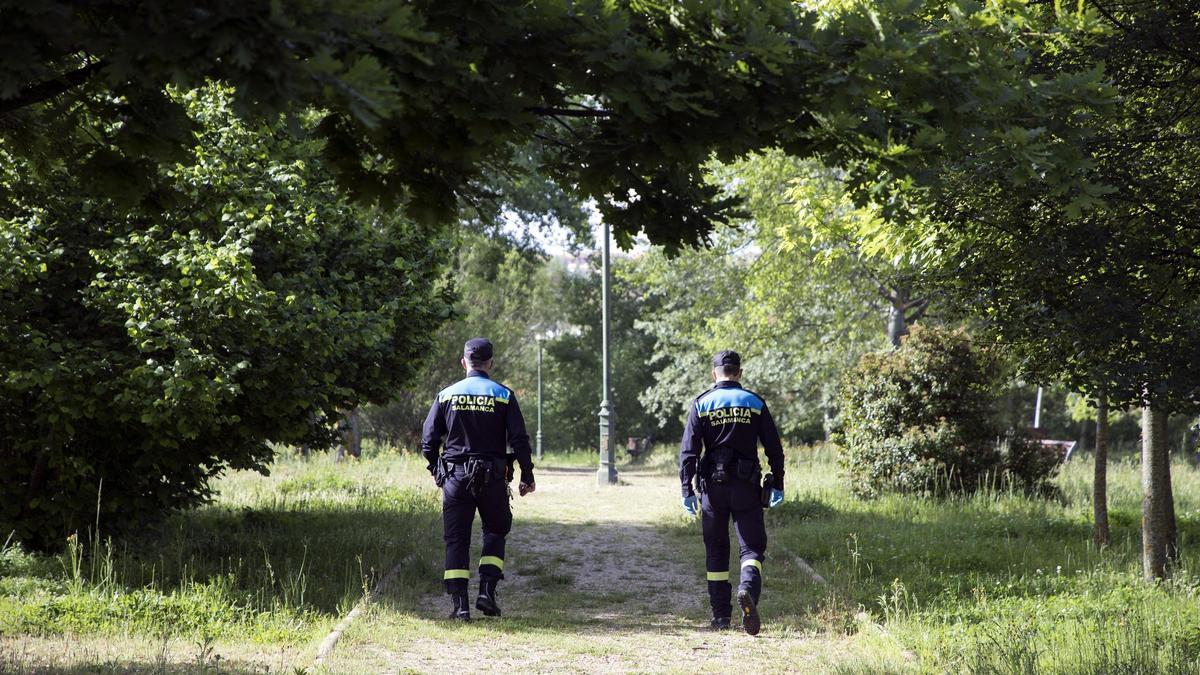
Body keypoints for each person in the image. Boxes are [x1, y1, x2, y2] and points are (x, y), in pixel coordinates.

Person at [421, 338, 536, 621]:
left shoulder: (446, 395)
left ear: (464, 363)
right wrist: (526, 475)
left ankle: (460, 606)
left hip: (455, 478)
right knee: (495, 532)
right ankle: (487, 592)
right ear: (490, 363)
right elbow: (519, 439)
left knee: (456, 540)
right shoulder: (503, 395)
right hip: (493, 477)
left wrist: (438, 471)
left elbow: (428, 441)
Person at [679, 350, 785, 635]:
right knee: (751, 547)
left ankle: (720, 616)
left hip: (712, 488)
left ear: (715, 374)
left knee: (716, 549)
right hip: (746, 487)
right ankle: (747, 589)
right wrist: (778, 483)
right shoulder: (754, 402)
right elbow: (774, 449)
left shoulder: (702, 404)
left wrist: (686, 489)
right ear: (739, 372)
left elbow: (689, 452)